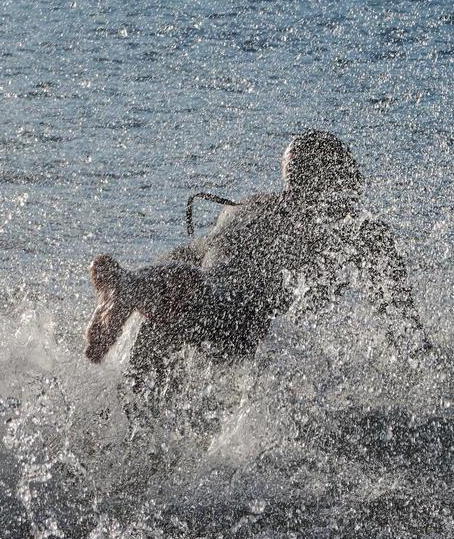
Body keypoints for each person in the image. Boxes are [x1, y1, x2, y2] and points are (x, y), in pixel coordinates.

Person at [85, 131, 426, 379]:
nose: (356, 190)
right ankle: (139, 290)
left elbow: (186, 253)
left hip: (172, 300)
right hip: (235, 314)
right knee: (210, 300)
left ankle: (133, 285)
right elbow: (406, 330)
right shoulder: (354, 230)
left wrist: (146, 279)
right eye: (351, 179)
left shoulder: (245, 210)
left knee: (190, 304)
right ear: (335, 180)